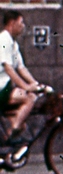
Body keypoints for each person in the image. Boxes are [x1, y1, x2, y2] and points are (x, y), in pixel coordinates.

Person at [0, 10, 44, 143]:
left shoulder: (13, 44)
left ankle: (15, 127)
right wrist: (26, 87)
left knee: (28, 100)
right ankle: (12, 132)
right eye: (21, 23)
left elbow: (21, 67)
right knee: (29, 98)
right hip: (2, 88)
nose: (23, 26)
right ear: (12, 23)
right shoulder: (3, 40)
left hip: (6, 87)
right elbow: (9, 69)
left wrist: (35, 84)